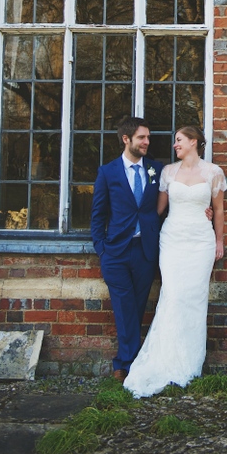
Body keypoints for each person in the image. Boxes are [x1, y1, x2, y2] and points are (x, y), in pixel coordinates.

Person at [123, 126, 226, 398]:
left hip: (201, 241)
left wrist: (219, 241)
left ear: (194, 142)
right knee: (174, 295)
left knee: (195, 297)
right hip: (172, 240)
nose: (175, 145)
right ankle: (165, 358)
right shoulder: (168, 172)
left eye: (179, 140)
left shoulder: (213, 173)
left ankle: (190, 363)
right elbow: (157, 209)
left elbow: (218, 210)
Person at [90, 116, 164, 382]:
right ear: (126, 139)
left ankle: (130, 360)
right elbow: (98, 215)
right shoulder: (107, 173)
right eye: (142, 137)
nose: (147, 142)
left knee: (138, 306)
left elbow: (170, 200)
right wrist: (102, 249)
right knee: (123, 306)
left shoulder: (156, 169)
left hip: (145, 251)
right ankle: (126, 363)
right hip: (116, 252)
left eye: (148, 137)